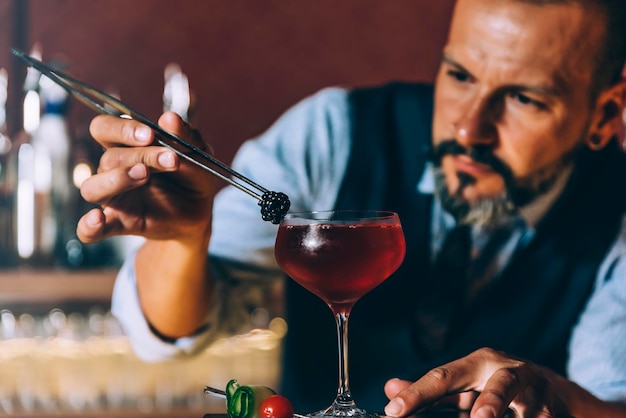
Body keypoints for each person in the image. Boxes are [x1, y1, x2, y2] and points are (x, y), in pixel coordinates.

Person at [77, 0, 626, 416]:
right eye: (459, 76)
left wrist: (562, 400)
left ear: (604, 116)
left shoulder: (616, 209)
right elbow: (178, 329)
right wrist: (182, 239)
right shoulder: (334, 133)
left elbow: (612, 399)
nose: (468, 128)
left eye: (524, 99)